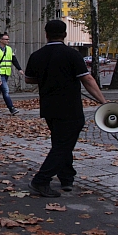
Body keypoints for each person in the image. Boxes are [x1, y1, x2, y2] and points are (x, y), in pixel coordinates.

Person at [25, 20, 107, 197]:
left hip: (48, 107)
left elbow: (29, 79)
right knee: (63, 145)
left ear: (46, 34)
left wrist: (49, 77)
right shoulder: (72, 54)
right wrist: (103, 102)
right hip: (70, 107)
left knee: (60, 142)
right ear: (65, 34)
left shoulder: (37, 55)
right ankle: (41, 180)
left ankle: (66, 178)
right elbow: (87, 80)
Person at [0, 33, 23, 115]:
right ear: (1, 40)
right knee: (5, 90)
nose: (8, 41)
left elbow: (14, 59)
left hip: (6, 72)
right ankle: (11, 108)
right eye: (6, 39)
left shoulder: (9, 49)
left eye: (8, 39)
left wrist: (19, 69)